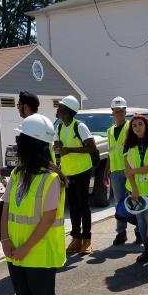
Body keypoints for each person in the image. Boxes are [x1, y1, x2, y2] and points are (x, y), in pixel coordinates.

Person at [0, 114, 66, 295]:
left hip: (38, 253)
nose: (17, 144)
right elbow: (4, 209)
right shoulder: (17, 174)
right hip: (15, 253)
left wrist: (24, 248)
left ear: (33, 144)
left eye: (21, 140)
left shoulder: (51, 179)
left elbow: (47, 219)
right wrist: (5, 240)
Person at [54, 95, 97, 255]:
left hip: (82, 171)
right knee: (72, 207)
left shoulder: (80, 126)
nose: (57, 109)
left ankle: (86, 240)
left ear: (67, 111)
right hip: (67, 172)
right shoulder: (59, 127)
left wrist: (69, 150)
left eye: (59, 107)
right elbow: (58, 146)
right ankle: (76, 238)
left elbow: (91, 147)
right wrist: (57, 146)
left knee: (83, 206)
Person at [123, 114, 148, 265]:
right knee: (141, 222)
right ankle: (147, 250)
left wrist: (134, 171)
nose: (137, 127)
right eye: (134, 125)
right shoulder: (127, 147)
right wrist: (134, 189)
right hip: (135, 190)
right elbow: (127, 170)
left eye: (140, 124)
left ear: (146, 126)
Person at [105, 96, 135, 246]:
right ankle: (121, 233)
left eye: (121, 111)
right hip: (116, 171)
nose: (119, 114)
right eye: (116, 111)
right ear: (112, 112)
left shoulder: (131, 127)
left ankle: (139, 230)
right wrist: (106, 172)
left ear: (125, 111)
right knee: (119, 203)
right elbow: (110, 153)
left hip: (130, 169)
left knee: (134, 199)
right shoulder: (110, 131)